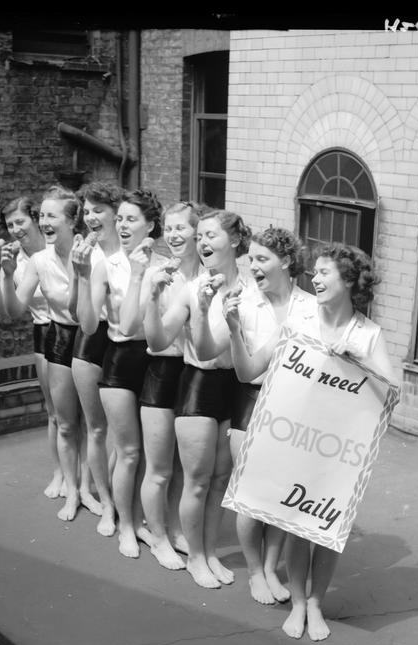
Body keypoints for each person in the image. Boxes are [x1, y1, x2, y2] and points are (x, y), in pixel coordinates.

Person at [227, 242, 397, 640]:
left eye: (324, 273)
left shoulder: (368, 334)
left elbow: (393, 390)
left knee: (326, 528)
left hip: (340, 452)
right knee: (295, 524)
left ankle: (316, 603)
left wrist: (360, 359)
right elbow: (247, 370)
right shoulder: (299, 322)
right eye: (314, 272)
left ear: (349, 281)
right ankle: (299, 605)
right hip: (296, 443)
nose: (314, 279)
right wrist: (235, 330)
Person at [144, 209, 251, 589]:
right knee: (198, 481)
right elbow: (157, 342)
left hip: (233, 388)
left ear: (235, 240)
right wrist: (152, 299)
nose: (203, 243)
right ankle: (195, 558)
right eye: (200, 236)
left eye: (211, 236)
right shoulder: (192, 289)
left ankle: (208, 550)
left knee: (221, 479)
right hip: (199, 386)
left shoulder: (251, 286)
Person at [221, 226, 317, 605]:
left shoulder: (311, 307)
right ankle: (256, 573)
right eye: (251, 259)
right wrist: (232, 331)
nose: (254, 266)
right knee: (250, 495)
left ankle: (273, 566)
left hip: (294, 409)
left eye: (263, 259)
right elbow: (245, 372)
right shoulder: (244, 303)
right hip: (251, 399)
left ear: (287, 261)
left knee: (281, 497)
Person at [1, 185, 100, 523]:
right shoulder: (39, 261)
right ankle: (72, 492)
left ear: (73, 221)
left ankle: (88, 488)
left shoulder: (92, 254)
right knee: (67, 424)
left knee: (92, 424)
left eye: (51, 215)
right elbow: (15, 309)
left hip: (90, 340)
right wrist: (4, 273)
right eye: (41, 214)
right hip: (59, 338)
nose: (43, 220)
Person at [74, 189, 162, 557]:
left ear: (150, 226)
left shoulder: (163, 265)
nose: (123, 225)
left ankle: (142, 521)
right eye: (120, 218)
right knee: (127, 450)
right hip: (120, 358)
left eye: (131, 219)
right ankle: (124, 523)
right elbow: (89, 324)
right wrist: (81, 277)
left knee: (150, 454)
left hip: (157, 361)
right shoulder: (104, 266)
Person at [119, 201, 204, 570]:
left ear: (198, 233)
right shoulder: (156, 271)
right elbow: (132, 325)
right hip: (160, 372)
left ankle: (172, 529)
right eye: (168, 228)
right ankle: (157, 538)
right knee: (158, 467)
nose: (173, 235)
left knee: (183, 468)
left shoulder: (206, 273)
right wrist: (144, 283)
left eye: (181, 228)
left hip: (192, 376)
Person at [0, 195, 65, 499]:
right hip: (44, 331)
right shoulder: (17, 262)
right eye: (10, 224)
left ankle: (80, 476)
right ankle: (60, 473)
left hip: (72, 330)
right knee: (54, 412)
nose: (16, 229)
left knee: (80, 415)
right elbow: (2, 311)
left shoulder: (54, 249)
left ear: (34, 220)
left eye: (21, 221)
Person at [69, 181, 124, 536]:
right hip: (91, 341)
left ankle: (122, 501)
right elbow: (79, 313)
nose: (90, 217)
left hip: (124, 344)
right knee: (97, 429)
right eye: (86, 211)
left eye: (98, 210)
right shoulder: (85, 254)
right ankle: (106, 503)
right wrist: (79, 272)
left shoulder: (131, 252)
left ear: (117, 214)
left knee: (124, 432)